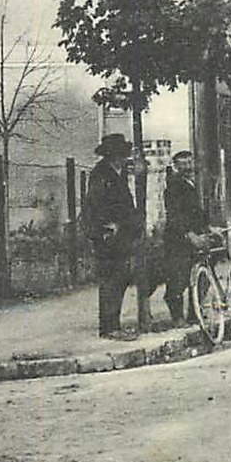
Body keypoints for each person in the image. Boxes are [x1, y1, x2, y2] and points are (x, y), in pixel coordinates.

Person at [83, 134, 150, 338]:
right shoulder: (101, 174)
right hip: (107, 235)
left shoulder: (117, 174)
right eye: (122, 154)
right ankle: (109, 328)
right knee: (111, 279)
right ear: (114, 156)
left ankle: (114, 325)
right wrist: (106, 226)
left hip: (120, 234)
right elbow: (95, 203)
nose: (125, 158)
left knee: (119, 278)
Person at [160, 150, 207, 327]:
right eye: (183, 163)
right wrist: (189, 234)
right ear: (176, 166)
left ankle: (195, 313)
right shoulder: (173, 186)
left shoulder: (191, 184)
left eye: (190, 162)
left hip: (195, 236)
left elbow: (197, 212)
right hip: (178, 239)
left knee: (200, 276)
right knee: (177, 279)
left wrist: (208, 227)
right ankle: (177, 317)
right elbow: (175, 215)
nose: (188, 166)